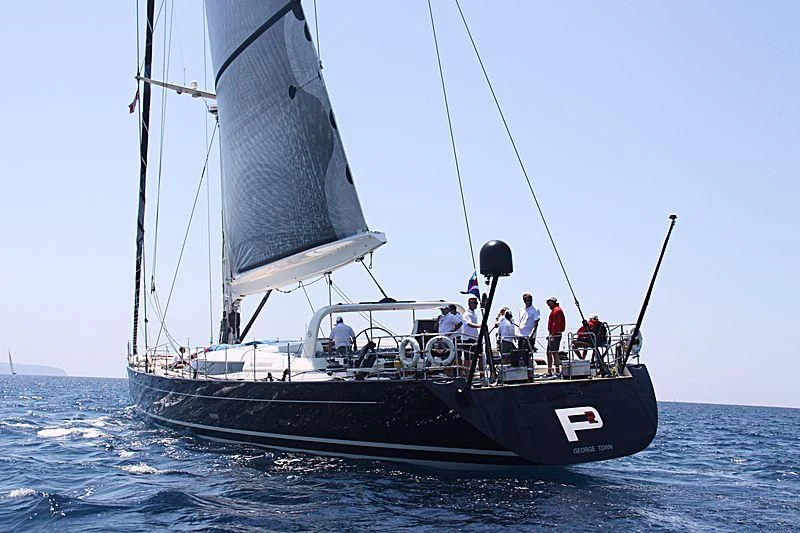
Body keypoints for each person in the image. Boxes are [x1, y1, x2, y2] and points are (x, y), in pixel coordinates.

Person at [545, 296, 565, 374]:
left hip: (555, 334)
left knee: (554, 352)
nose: (547, 304)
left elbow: (555, 324)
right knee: (549, 352)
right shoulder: (555, 310)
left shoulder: (557, 310)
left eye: (548, 302)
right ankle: (550, 371)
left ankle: (556, 371)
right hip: (553, 334)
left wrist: (553, 335)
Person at [460, 296, 482, 365]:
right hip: (467, 338)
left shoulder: (474, 314)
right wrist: (480, 326)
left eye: (476, 303)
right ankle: (467, 374)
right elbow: (469, 324)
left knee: (479, 355)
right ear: (469, 304)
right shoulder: (466, 314)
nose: (476, 305)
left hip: (474, 337)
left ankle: (481, 373)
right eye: (474, 303)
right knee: (467, 357)